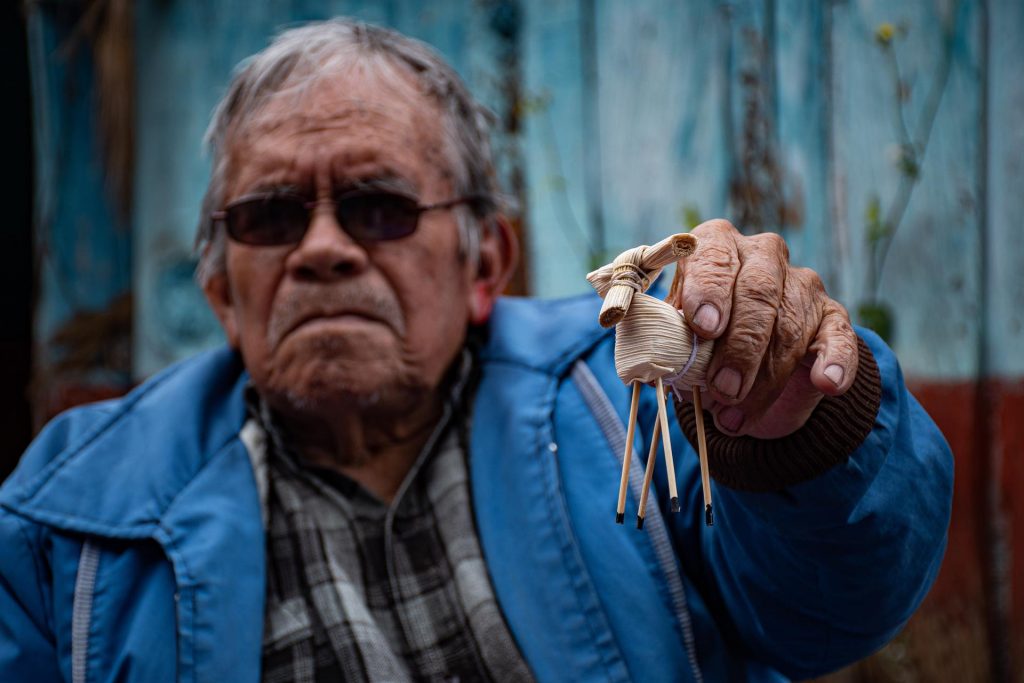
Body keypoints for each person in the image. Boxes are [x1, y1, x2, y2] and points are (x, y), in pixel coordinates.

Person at [0, 18, 952, 683]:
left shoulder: (634, 404)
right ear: (220, 290)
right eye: (270, 216)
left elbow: (829, 611)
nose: (323, 248)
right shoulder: (61, 530)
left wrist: (796, 432)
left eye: (379, 205)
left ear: (486, 260)